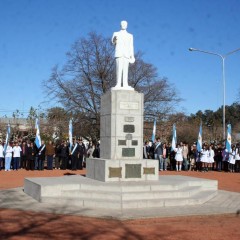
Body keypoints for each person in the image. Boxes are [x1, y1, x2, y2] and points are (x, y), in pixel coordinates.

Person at [112, 20, 135, 90]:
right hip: (119, 53)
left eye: (125, 24)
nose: (123, 25)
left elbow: (131, 46)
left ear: (127, 25)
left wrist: (132, 55)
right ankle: (118, 84)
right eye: (122, 24)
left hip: (126, 54)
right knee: (119, 69)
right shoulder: (116, 33)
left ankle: (125, 84)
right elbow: (113, 42)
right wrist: (114, 40)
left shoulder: (130, 35)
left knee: (125, 70)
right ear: (120, 25)